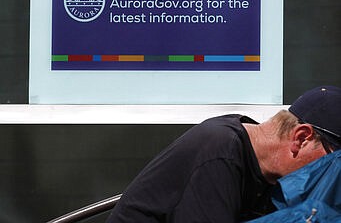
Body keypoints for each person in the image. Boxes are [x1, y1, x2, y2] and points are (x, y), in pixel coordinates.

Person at [106, 86, 341, 223]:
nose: (330, 174)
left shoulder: (262, 170)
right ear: (301, 138)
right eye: (331, 162)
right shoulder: (220, 151)